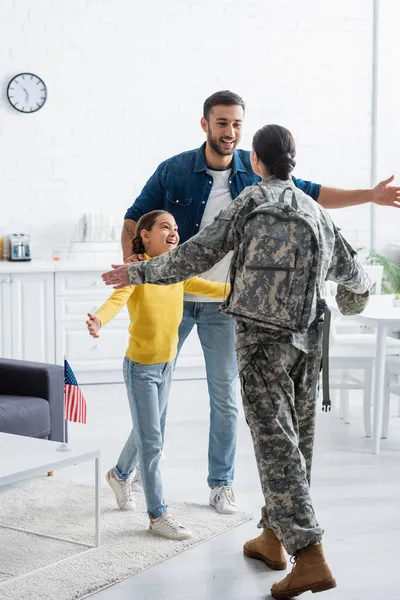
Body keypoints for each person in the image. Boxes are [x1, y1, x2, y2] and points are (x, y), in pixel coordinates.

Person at [103, 124, 371, 597]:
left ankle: (309, 556)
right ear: (293, 160)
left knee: (275, 446)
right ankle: (273, 537)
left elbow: (191, 256)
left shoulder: (246, 204)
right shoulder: (314, 210)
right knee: (296, 442)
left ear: (257, 163)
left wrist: (136, 269)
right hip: (308, 341)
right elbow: (357, 281)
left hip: (260, 341)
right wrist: (351, 307)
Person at [121, 91, 399, 515]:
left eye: (236, 124)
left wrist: (370, 196)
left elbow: (314, 193)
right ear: (205, 125)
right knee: (154, 395)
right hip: (171, 298)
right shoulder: (174, 171)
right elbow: (135, 218)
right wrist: (135, 269)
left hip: (224, 304)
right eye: (222, 124)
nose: (230, 133)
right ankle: (129, 471)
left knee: (226, 399)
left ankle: (222, 484)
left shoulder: (255, 177)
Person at [87, 210, 229, 540]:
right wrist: (99, 320)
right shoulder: (136, 272)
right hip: (141, 370)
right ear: (145, 235)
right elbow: (115, 299)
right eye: (165, 227)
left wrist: (248, 287)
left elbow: (213, 288)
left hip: (166, 366)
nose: (174, 232)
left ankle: (120, 475)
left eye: (176, 228)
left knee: (145, 431)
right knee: (153, 441)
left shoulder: (176, 273)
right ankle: (158, 515)